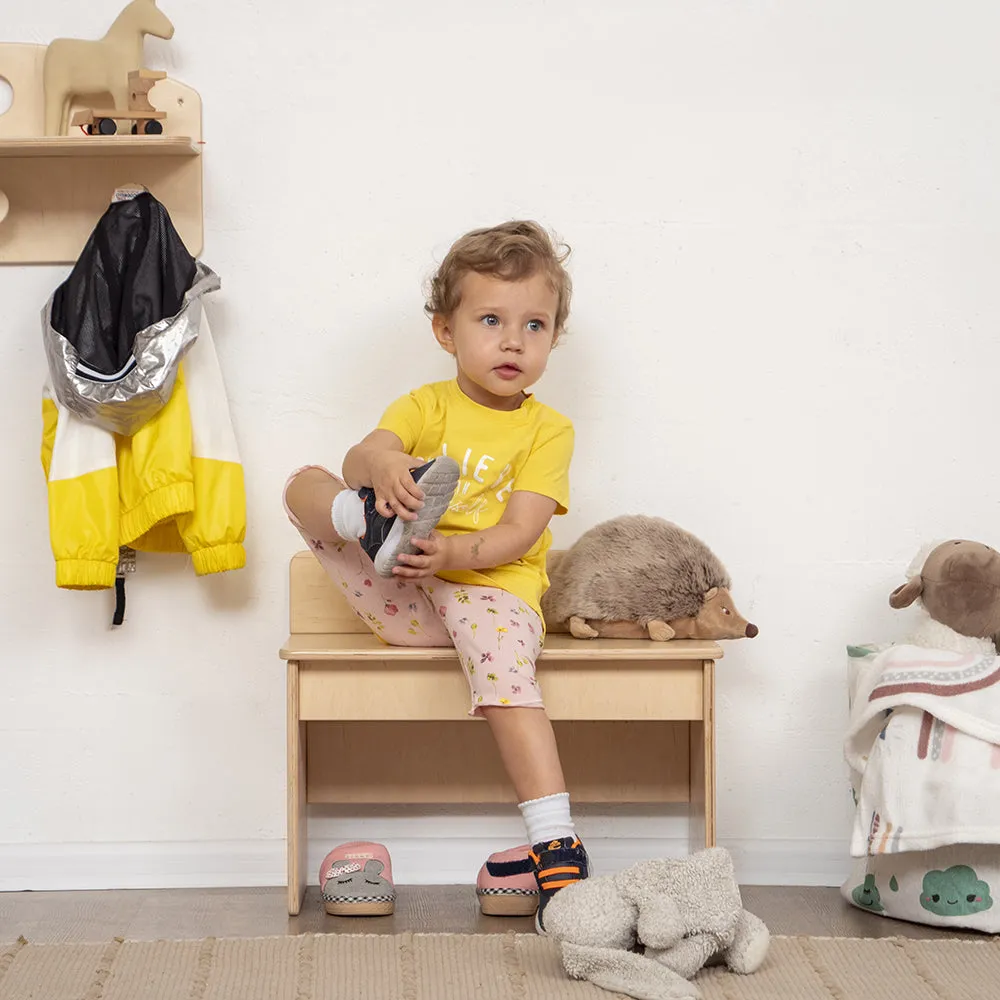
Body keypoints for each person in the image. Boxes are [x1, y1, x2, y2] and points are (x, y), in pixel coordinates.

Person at [283, 220, 587, 930]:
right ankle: (366, 521)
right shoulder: (425, 406)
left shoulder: (549, 430)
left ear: (552, 338)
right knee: (305, 480)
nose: (513, 341)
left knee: (508, 671)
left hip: (490, 596)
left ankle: (555, 841)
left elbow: (522, 531)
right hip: (408, 598)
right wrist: (381, 469)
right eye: (490, 320)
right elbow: (367, 450)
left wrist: (453, 556)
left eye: (534, 325)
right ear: (445, 333)